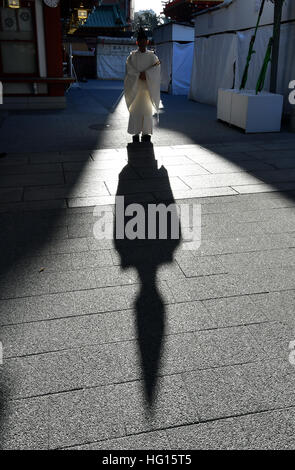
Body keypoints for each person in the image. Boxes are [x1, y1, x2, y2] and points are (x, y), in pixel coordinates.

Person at [124, 28, 161, 143]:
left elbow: (157, 68)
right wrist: (139, 75)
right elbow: (129, 70)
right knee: (135, 111)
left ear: (147, 42)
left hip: (147, 89)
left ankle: (146, 133)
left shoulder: (152, 57)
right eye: (140, 41)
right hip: (135, 89)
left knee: (147, 111)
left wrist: (147, 74)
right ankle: (135, 132)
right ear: (137, 42)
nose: (142, 43)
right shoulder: (132, 57)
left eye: (144, 40)